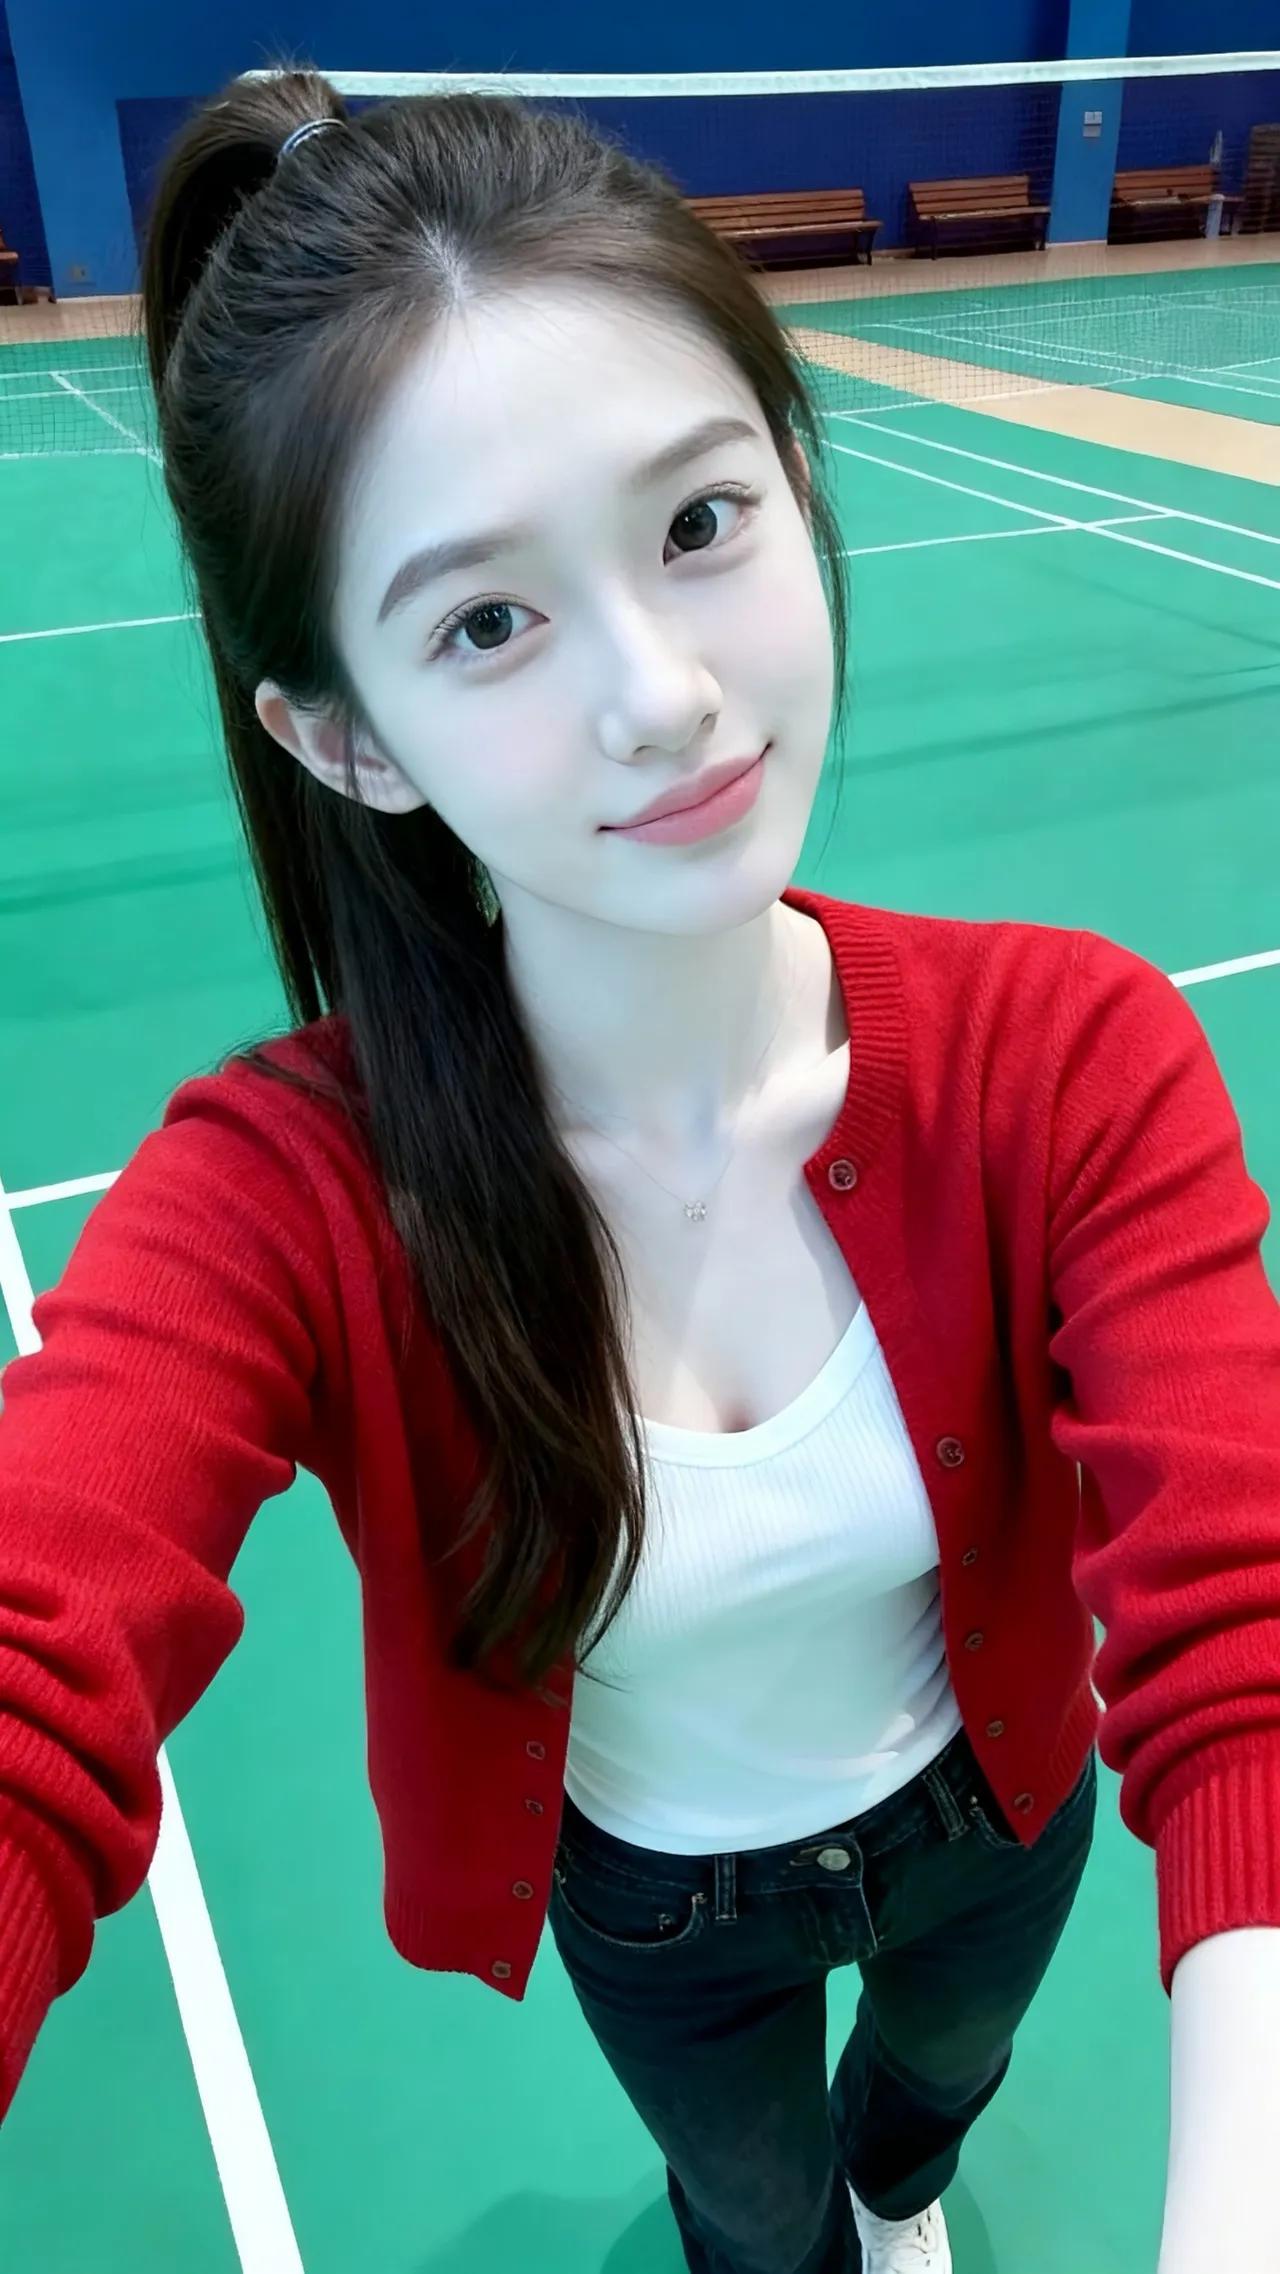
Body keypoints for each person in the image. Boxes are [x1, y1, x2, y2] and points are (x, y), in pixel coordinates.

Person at [0, 65, 1277, 2274]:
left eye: (698, 523)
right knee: (753, 2221)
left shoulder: (1070, 1056)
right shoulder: (287, 1196)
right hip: (659, 1903)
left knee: (927, 2106)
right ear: (344, 737)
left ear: (794, 471)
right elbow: (38, 1642)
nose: (665, 697)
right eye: (485, 623)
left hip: (997, 1810)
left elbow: (1244, 1620)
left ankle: (903, 2190)